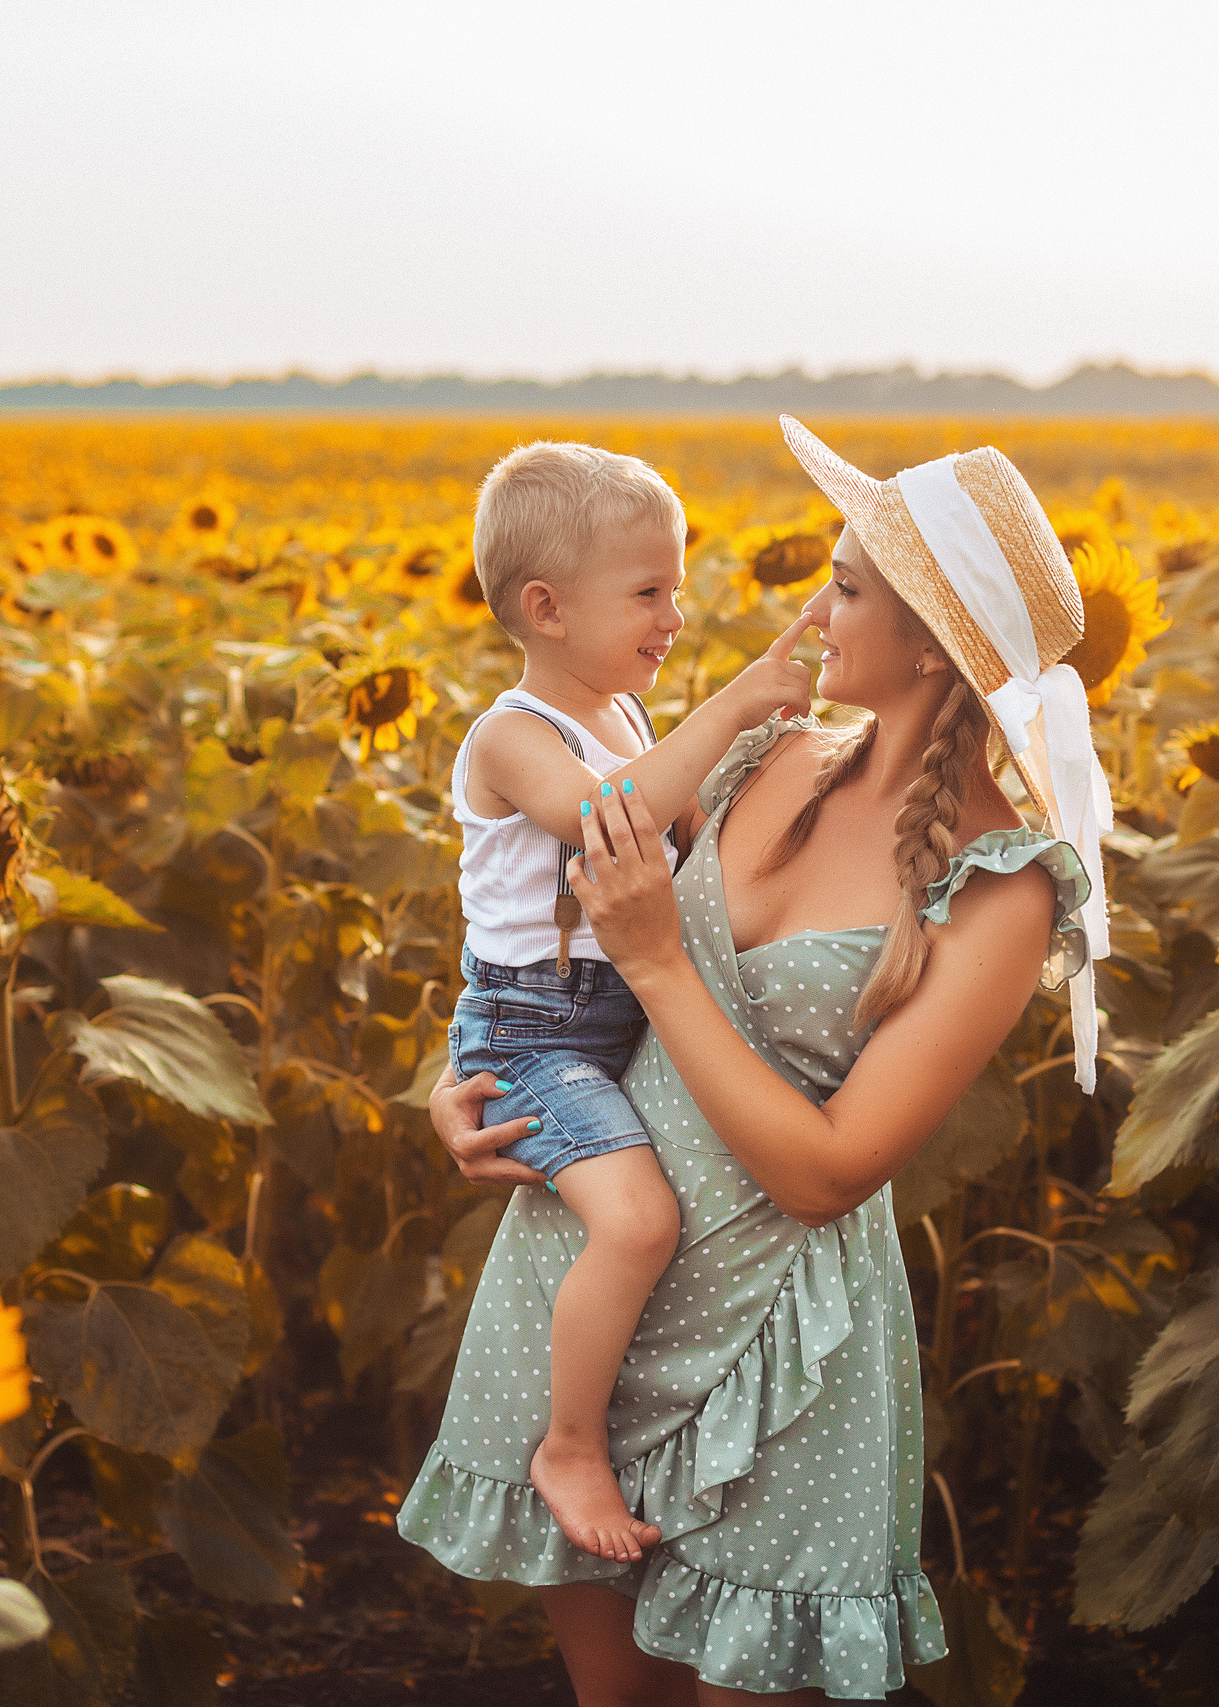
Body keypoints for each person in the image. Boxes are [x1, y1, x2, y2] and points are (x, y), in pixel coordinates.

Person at [399, 417, 1113, 1704]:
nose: (812, 611)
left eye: (843, 587)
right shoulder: (754, 758)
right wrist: (464, 1087)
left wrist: (663, 962)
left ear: (929, 636)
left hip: (775, 1345)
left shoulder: (995, 887)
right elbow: (535, 929)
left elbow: (830, 1174)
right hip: (583, 1284)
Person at [447, 441, 815, 1563]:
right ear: (547, 608)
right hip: (533, 1036)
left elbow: (684, 822)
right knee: (640, 1220)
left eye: (679, 589)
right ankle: (566, 1445)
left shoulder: (624, 718)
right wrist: (736, 700)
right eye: (649, 592)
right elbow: (607, 821)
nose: (675, 615)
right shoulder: (512, 736)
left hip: (608, 1023)